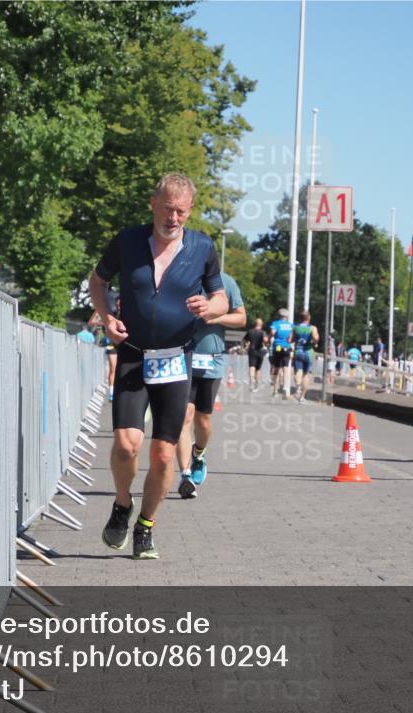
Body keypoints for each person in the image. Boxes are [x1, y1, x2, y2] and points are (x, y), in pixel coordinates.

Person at [89, 173, 228, 560]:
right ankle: (121, 504)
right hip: (133, 352)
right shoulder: (128, 241)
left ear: (190, 212)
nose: (173, 217)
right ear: (153, 203)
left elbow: (221, 299)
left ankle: (146, 525)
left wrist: (210, 307)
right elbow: (96, 282)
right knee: (124, 444)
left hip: (175, 359)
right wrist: (105, 317)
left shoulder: (202, 247)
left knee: (164, 454)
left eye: (181, 211)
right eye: (167, 208)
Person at [177, 271, 246, 498]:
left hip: (211, 361)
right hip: (181, 357)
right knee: (184, 416)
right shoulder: (181, 278)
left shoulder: (225, 282)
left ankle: (199, 453)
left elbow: (241, 318)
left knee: (203, 420)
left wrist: (215, 317)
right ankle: (185, 475)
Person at [292, 311, 319, 404]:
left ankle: (298, 386)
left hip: (298, 352)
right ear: (309, 318)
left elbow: (290, 339)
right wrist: (315, 342)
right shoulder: (312, 328)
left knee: (298, 371)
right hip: (308, 353)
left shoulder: (295, 328)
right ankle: (302, 397)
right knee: (306, 374)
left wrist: (296, 339)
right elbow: (316, 338)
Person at [269, 308, 294, 397]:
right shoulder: (291, 325)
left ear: (279, 315)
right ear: (286, 317)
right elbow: (291, 337)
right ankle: (285, 387)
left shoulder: (276, 324)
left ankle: (275, 390)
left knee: (276, 368)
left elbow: (272, 333)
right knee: (285, 368)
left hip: (278, 347)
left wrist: (273, 336)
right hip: (286, 347)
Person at [243, 318, 269, 391]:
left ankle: (251, 381)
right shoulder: (262, 332)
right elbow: (265, 340)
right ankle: (256, 385)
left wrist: (244, 347)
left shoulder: (250, 331)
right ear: (261, 324)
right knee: (258, 369)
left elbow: (244, 340)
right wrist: (266, 344)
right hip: (260, 351)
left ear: (255, 323)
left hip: (252, 350)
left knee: (252, 366)